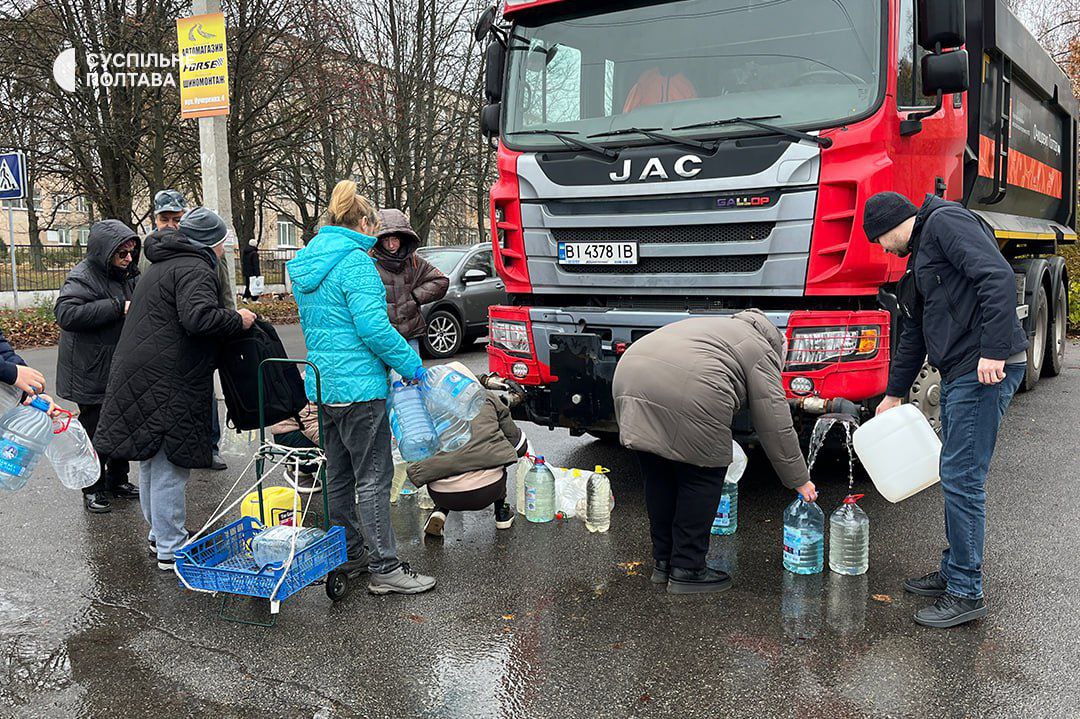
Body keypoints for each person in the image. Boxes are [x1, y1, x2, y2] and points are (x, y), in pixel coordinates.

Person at [863, 191, 1028, 629]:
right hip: (961, 370)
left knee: (962, 477)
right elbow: (914, 334)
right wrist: (894, 394)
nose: (882, 250)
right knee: (955, 473)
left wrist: (992, 351)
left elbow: (997, 277)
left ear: (891, 225)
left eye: (879, 240)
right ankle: (955, 568)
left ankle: (965, 591)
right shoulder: (919, 261)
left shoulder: (945, 223)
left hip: (984, 367)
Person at [287, 180, 435, 595]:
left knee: (338, 475)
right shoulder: (355, 262)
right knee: (373, 476)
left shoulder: (305, 262)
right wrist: (411, 365)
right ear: (365, 221)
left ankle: (349, 555)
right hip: (360, 389)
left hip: (323, 386)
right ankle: (385, 568)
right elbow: (373, 328)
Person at [93, 208, 257, 571]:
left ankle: (159, 534)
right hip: (169, 376)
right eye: (223, 243)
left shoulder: (162, 264)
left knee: (153, 458)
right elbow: (198, 318)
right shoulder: (196, 268)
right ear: (214, 244)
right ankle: (172, 545)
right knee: (171, 463)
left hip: (142, 373)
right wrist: (239, 318)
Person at [613, 309, 817, 595]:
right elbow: (775, 421)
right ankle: (688, 569)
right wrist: (798, 479)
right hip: (689, 390)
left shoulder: (714, 326)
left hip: (629, 376)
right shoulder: (761, 348)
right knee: (702, 474)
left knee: (658, 473)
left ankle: (663, 562)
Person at [54, 219, 141, 514]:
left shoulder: (128, 274)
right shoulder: (83, 276)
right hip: (88, 368)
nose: (129, 259)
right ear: (105, 252)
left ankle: (118, 479)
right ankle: (92, 487)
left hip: (117, 365)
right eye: (122, 254)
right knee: (95, 429)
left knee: (120, 424)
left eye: (131, 252)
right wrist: (118, 306)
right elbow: (66, 313)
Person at [149, 189, 229, 471]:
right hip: (169, 339)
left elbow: (224, 292)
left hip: (205, 329)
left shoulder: (207, 251)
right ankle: (174, 450)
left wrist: (228, 325)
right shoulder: (153, 254)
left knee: (205, 392)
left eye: (176, 219)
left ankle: (211, 446)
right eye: (165, 219)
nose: (171, 225)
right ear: (156, 220)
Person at [408, 364, 527, 538]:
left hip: (443, 495)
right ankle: (502, 512)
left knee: (445, 461)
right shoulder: (488, 398)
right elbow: (518, 447)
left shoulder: (424, 405)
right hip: (489, 489)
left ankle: (440, 511)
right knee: (497, 453)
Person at [371, 209, 449, 354]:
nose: (391, 245)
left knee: (413, 375)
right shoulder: (371, 264)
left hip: (411, 333)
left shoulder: (414, 262)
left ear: (402, 239)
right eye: (386, 240)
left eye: (394, 239)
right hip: (385, 336)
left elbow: (441, 281)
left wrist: (415, 296)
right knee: (389, 376)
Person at [270, 401, 322, 493]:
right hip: (292, 432)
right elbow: (310, 422)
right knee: (340, 449)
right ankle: (299, 470)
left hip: (307, 426)